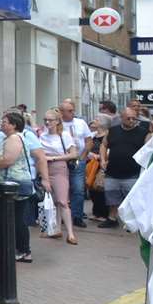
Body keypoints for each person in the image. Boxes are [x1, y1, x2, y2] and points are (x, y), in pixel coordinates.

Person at [0, 110, 38, 263]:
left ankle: (24, 251)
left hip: (15, 185)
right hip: (3, 186)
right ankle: (11, 247)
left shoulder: (14, 138)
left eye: (4, 122)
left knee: (17, 219)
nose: (1, 124)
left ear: (13, 125)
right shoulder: (5, 138)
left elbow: (8, 160)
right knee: (4, 218)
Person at [100, 105, 151, 228]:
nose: (132, 121)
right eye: (129, 118)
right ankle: (112, 219)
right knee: (112, 198)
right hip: (113, 171)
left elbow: (148, 149)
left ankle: (134, 222)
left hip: (133, 172)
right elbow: (104, 145)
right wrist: (102, 159)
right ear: (122, 118)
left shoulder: (143, 132)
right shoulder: (113, 130)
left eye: (134, 119)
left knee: (133, 199)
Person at [38, 108, 81, 245]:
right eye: (45, 120)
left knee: (62, 201)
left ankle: (70, 233)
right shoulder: (42, 135)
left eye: (50, 120)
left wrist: (55, 157)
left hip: (59, 168)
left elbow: (74, 154)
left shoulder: (64, 135)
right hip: (45, 168)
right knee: (52, 200)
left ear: (57, 121)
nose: (47, 122)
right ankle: (55, 229)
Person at [59, 98, 92, 229]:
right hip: (61, 160)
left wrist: (83, 157)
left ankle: (77, 216)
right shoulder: (57, 124)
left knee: (78, 189)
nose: (73, 113)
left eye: (73, 110)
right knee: (62, 189)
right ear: (61, 112)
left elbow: (89, 141)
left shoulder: (81, 123)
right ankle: (62, 215)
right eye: (70, 111)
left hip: (78, 160)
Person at [85, 113, 112, 224]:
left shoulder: (108, 135)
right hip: (91, 165)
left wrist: (101, 158)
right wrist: (90, 154)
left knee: (101, 188)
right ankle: (96, 212)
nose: (94, 120)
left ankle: (104, 213)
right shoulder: (93, 135)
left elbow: (108, 149)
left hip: (101, 165)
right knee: (91, 188)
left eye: (97, 119)